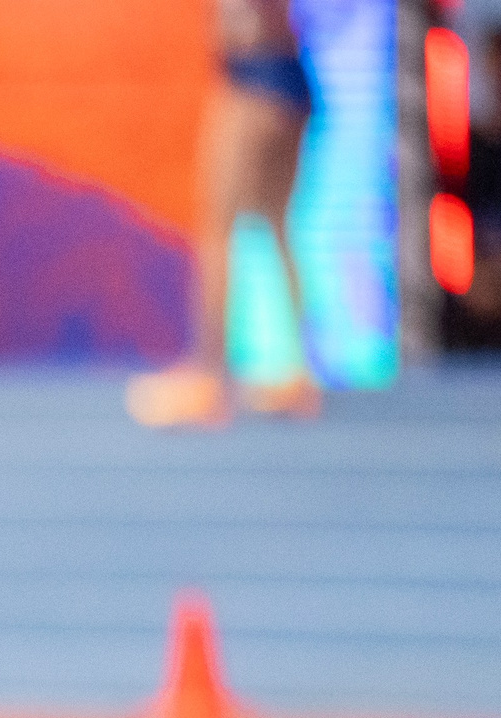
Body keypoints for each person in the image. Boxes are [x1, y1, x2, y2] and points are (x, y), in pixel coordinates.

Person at [128, 0, 326, 427]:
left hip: (255, 79)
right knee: (276, 222)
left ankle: (207, 374)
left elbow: (249, 20)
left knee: (219, 227)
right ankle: (300, 372)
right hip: (289, 78)